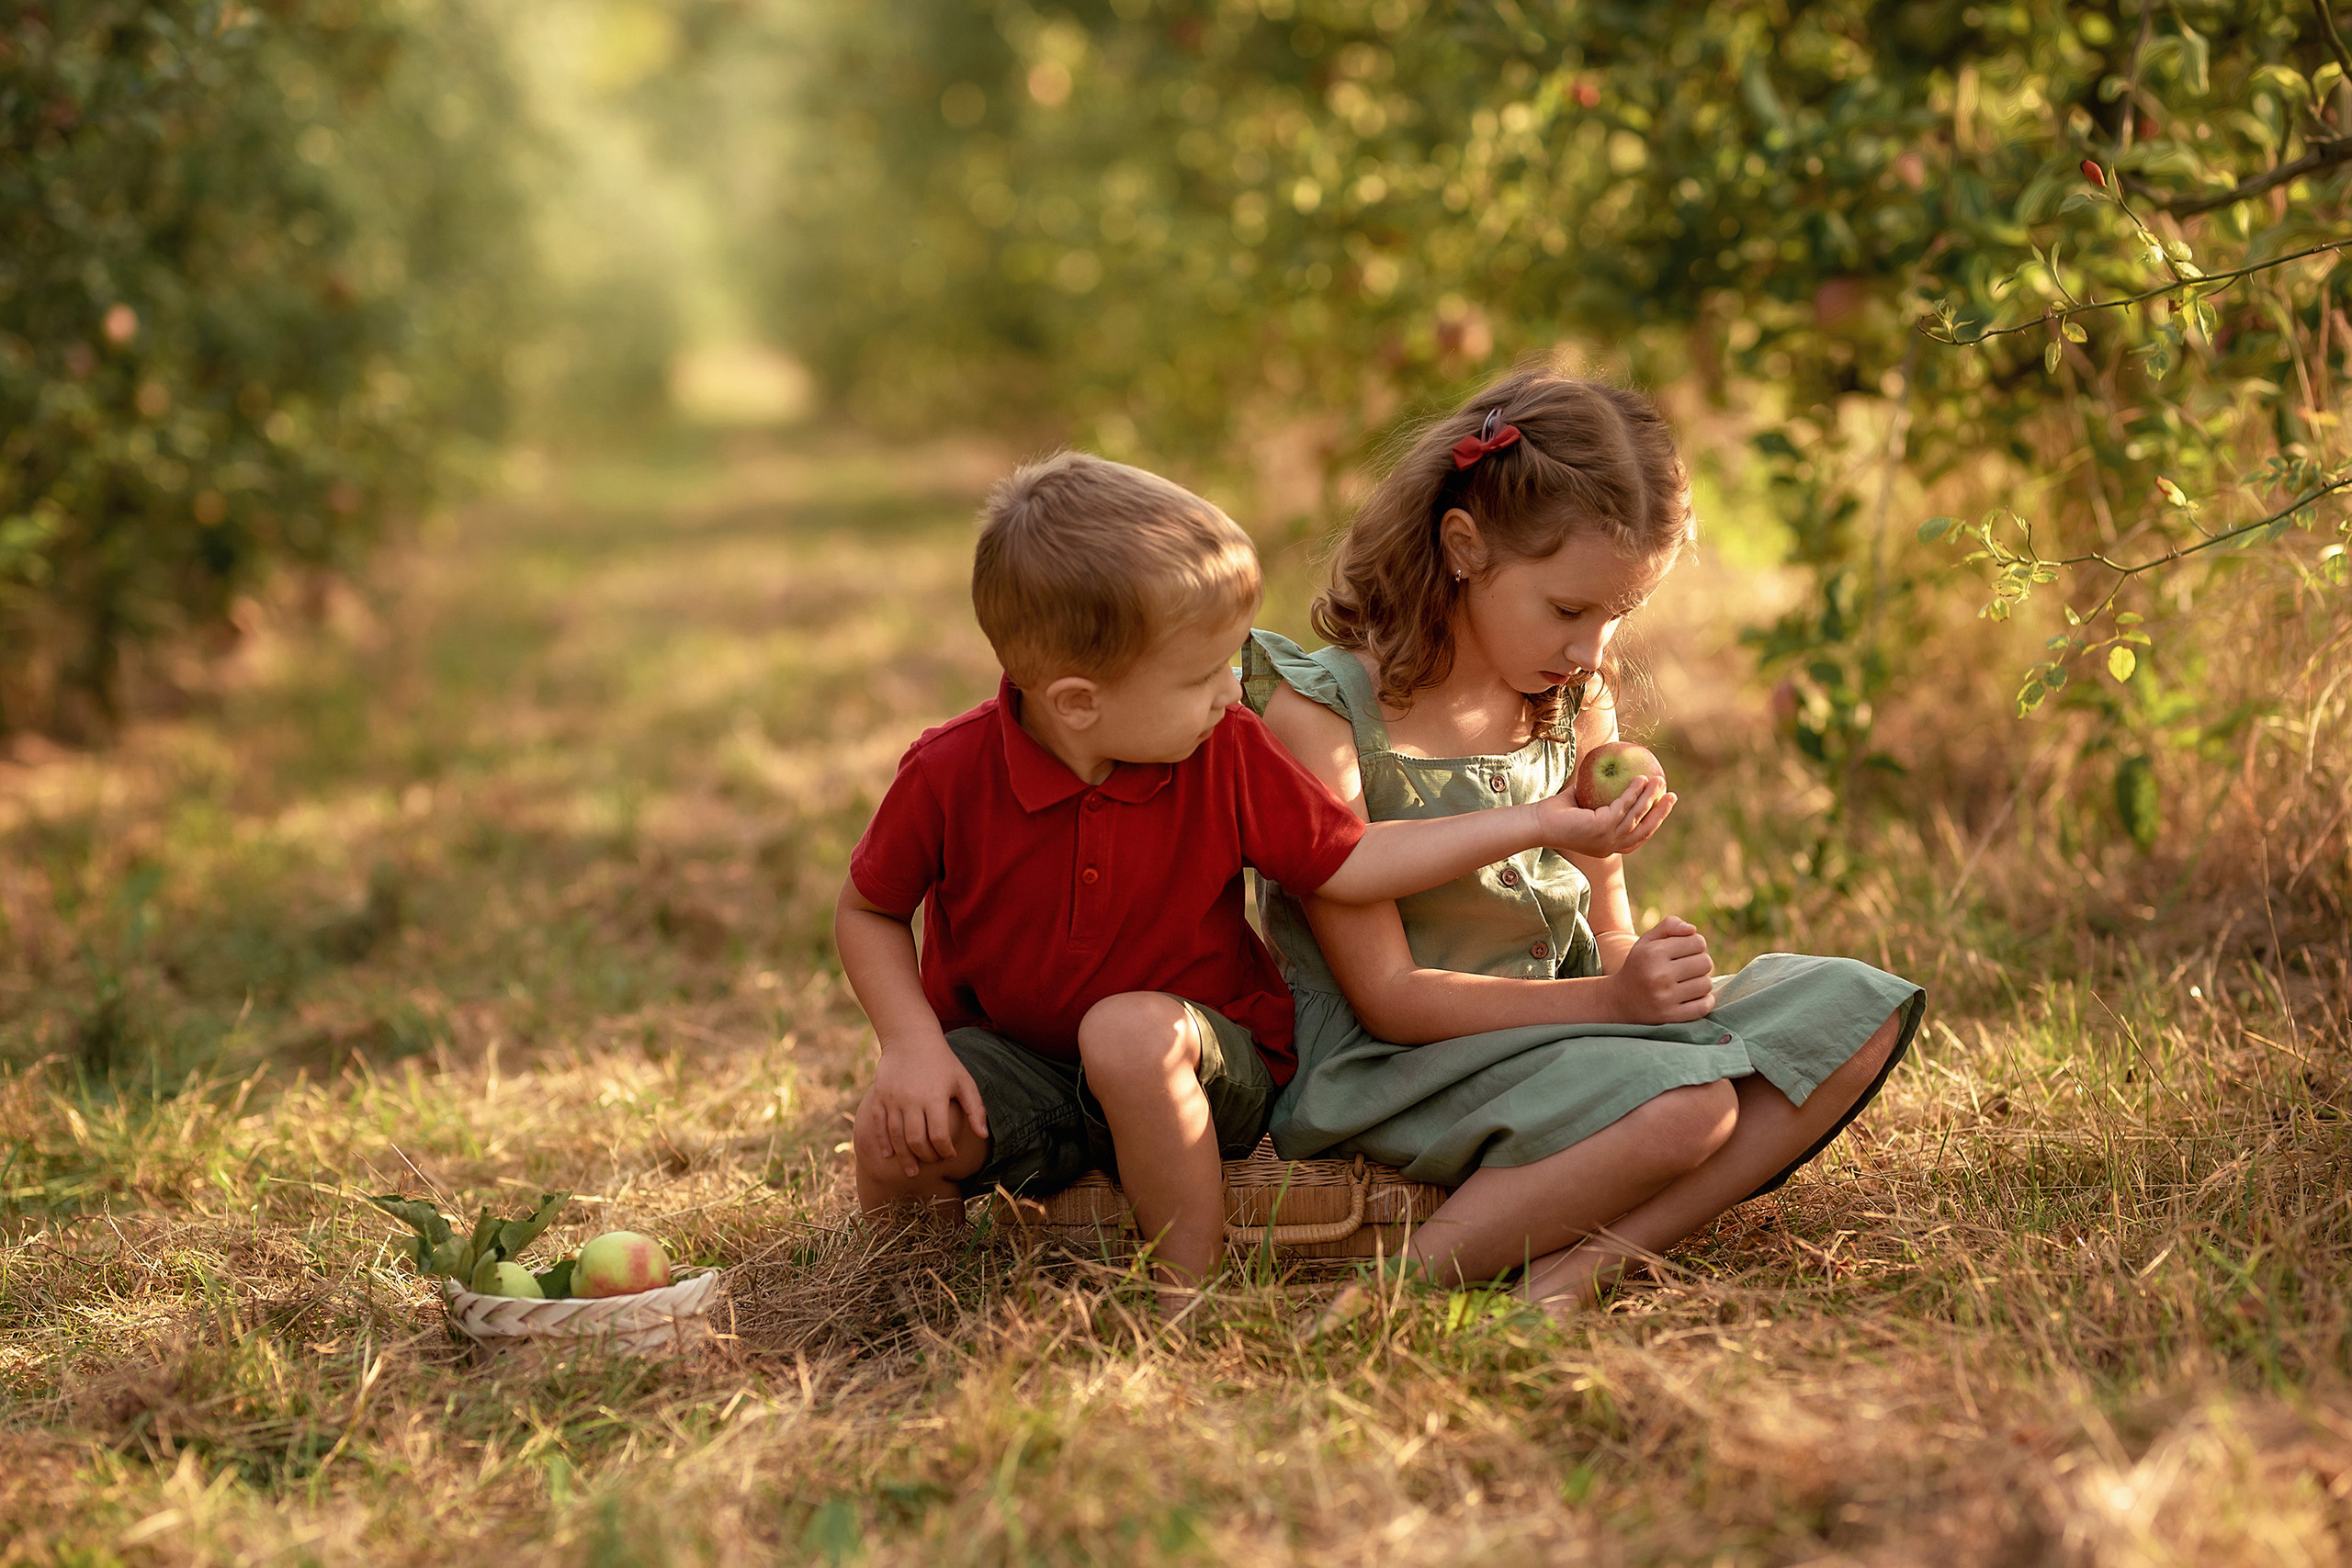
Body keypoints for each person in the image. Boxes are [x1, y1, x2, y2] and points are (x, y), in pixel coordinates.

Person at [838, 451, 1674, 1298]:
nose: (1233, 689)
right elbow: (869, 910)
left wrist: (1535, 821)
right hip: (1014, 1059)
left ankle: (1184, 1298)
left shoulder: (1226, 748)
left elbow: (1352, 860)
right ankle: (908, 1300)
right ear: (1079, 701)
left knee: (1126, 1034)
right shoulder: (950, 770)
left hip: (1201, 1060)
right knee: (895, 1127)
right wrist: (910, 1048)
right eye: (1202, 674)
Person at [1245, 361, 1925, 1315]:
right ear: (1462, 546)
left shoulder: (1571, 700)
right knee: (1689, 1108)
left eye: (1619, 615)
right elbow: (1391, 1002)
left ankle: (1571, 1273)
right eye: (1569, 609)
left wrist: (1644, 972)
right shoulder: (1325, 715)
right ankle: (1388, 1297)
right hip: (1396, 1064)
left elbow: (1606, 925)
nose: (1591, 650)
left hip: (1571, 1027)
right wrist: (1615, 1000)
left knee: (1857, 1007)